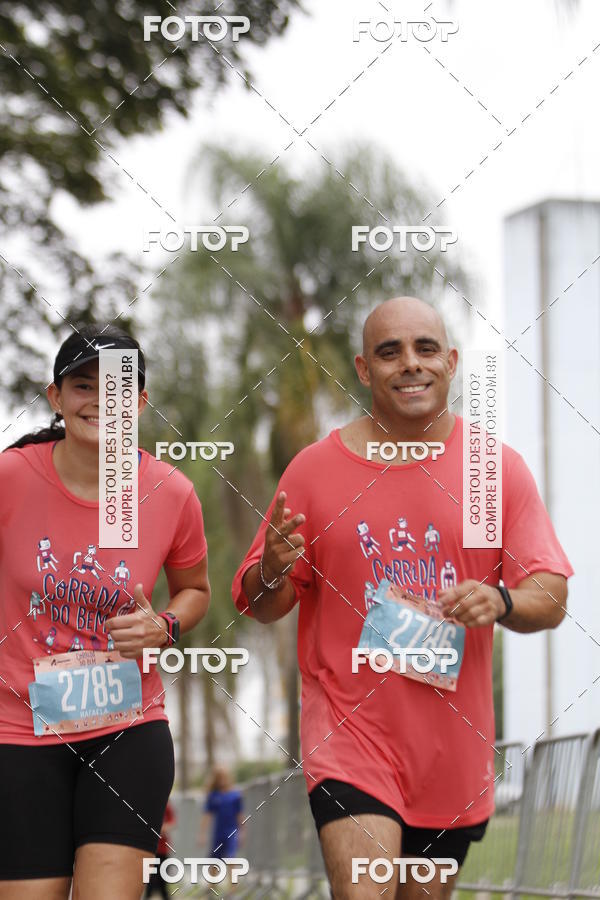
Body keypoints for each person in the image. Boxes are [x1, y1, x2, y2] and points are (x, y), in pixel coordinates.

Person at [232, 297, 573, 899]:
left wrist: (502, 601)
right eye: (390, 352)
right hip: (350, 736)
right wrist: (272, 571)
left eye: (425, 349)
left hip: (451, 752)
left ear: (451, 361)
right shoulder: (315, 473)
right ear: (364, 370)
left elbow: (550, 592)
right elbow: (263, 602)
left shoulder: (489, 471)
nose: (410, 364)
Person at [0, 324, 211, 900]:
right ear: (57, 397)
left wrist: (163, 625)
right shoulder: (12, 477)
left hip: (126, 726)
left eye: (118, 388)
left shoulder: (171, 492)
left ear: (140, 402)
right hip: (18, 733)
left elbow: (194, 589)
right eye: (83, 385)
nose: (100, 401)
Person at [199, 766, 244, 862]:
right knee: (215, 859)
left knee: (231, 857)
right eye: (220, 778)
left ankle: (232, 877)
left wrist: (242, 831)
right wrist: (202, 834)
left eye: (224, 777)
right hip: (219, 832)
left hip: (232, 831)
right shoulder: (213, 796)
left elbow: (239, 815)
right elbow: (207, 815)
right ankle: (212, 877)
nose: (222, 780)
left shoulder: (235, 795)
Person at [145, 801, 176, 899]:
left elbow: (172, 822)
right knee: (150, 880)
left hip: (162, 850)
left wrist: (164, 828)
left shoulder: (166, 805)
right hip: (149, 850)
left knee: (163, 880)